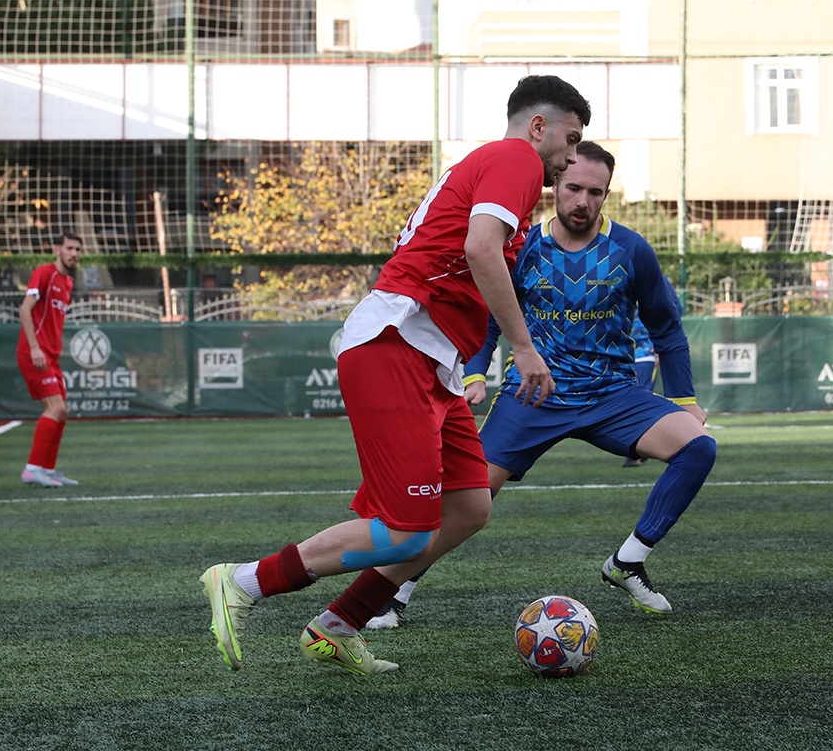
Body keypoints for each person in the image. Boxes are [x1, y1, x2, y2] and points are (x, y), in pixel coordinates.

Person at [201, 75, 591, 675]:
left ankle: (337, 626)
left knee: (469, 507)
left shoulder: (495, 165)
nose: (570, 156)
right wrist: (524, 348)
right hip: (396, 344)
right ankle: (244, 580)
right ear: (538, 127)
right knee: (407, 531)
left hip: (429, 358)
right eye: (571, 138)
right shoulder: (514, 157)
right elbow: (481, 249)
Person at [367, 140, 715, 628]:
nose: (582, 201)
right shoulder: (523, 245)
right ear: (555, 185)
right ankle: (393, 592)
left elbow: (667, 330)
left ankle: (628, 561)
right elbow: (490, 316)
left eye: (595, 192)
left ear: (606, 194)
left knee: (698, 447)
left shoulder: (631, 249)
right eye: (573, 188)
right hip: (533, 395)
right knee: (466, 499)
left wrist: (684, 400)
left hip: (613, 394)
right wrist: (474, 372)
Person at [16, 231, 83, 488]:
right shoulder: (44, 273)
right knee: (55, 408)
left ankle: (47, 469)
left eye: (77, 250)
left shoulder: (68, 283)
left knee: (62, 411)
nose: (74, 254)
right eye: (69, 248)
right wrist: (35, 348)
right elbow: (25, 310)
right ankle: (32, 469)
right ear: (58, 249)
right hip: (35, 352)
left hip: (51, 356)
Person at [623, 315, 658, 467]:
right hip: (622, 357)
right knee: (634, 402)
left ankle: (637, 450)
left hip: (642, 356)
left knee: (639, 402)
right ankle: (640, 448)